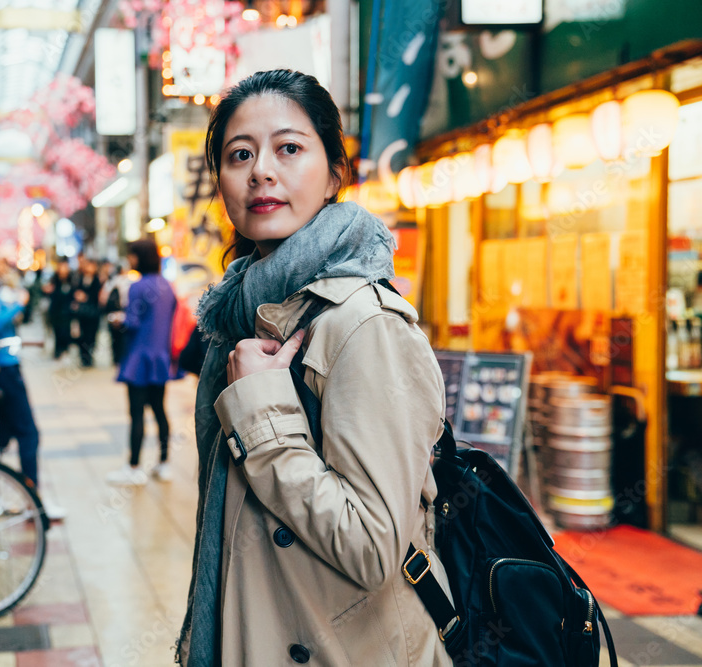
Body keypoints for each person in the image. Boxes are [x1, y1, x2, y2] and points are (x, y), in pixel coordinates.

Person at [176, 70, 452, 666]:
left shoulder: (363, 322)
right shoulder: (239, 317)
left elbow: (374, 547)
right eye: (239, 154)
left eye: (289, 148)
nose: (261, 172)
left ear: (332, 175)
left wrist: (262, 413)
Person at [0, 241, 66, 521]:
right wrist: (18, 304)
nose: (1, 260)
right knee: (29, 433)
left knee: (3, 435)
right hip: (3, 367)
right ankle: (35, 502)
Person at [106, 240, 179, 486]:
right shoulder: (168, 286)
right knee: (160, 411)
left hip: (138, 358)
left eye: (132, 255)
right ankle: (164, 462)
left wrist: (118, 320)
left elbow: (133, 322)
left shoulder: (138, 287)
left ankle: (134, 467)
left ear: (139, 257)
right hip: (160, 358)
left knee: (136, 413)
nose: (129, 260)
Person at [100, 260, 132, 365]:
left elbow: (102, 299)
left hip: (111, 314)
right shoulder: (127, 282)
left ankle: (115, 358)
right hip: (124, 313)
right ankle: (122, 357)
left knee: (114, 337)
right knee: (123, 337)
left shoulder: (110, 282)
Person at [73, 256, 102, 367]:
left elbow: (98, 297)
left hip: (93, 313)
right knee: (82, 335)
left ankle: (89, 355)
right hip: (82, 313)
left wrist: (86, 297)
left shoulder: (97, 280)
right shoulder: (79, 278)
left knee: (92, 336)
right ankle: (84, 357)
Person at [43, 259, 75, 360]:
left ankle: (65, 349)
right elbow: (48, 292)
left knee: (65, 332)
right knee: (57, 332)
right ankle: (58, 351)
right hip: (56, 312)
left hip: (67, 312)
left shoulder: (71, 280)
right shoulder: (54, 280)